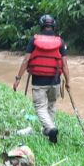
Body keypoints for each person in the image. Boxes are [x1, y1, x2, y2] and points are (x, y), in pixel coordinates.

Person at [12, 14, 70, 143]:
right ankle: (47, 130)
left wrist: (18, 79)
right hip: (55, 81)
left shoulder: (34, 40)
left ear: (41, 26)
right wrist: (68, 83)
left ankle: (50, 128)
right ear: (53, 26)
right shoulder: (60, 42)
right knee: (51, 104)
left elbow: (26, 60)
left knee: (40, 107)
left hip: (39, 81)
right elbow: (65, 65)